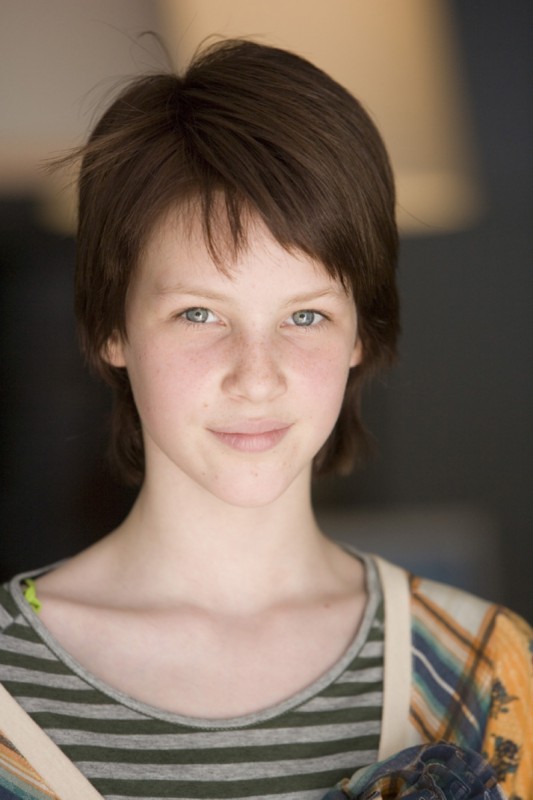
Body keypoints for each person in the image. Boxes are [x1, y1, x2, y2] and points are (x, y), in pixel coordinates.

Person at [0, 39, 531, 800]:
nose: (256, 377)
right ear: (111, 327)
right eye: (198, 313)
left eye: (305, 316)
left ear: (361, 333)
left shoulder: (487, 673)